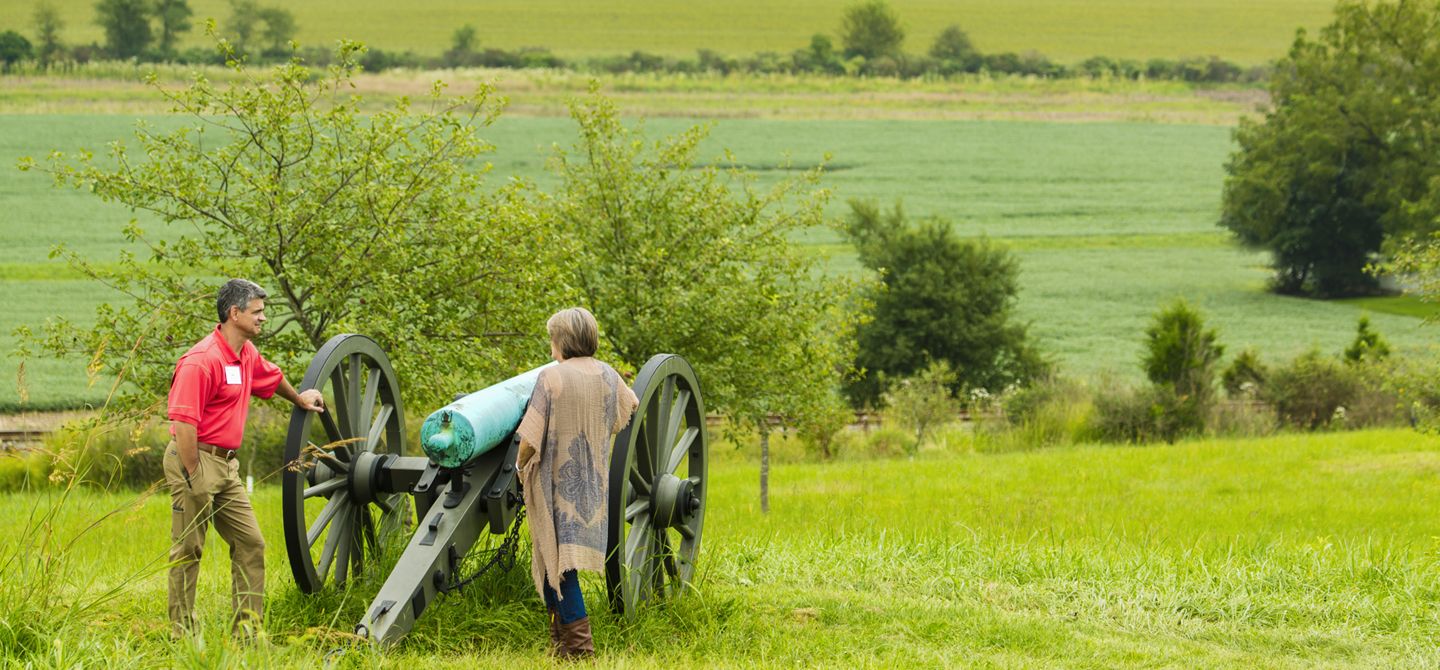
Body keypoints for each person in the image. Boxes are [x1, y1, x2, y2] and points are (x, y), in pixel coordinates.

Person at [164, 278, 325, 638]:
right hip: (194, 458)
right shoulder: (201, 361)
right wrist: (194, 474)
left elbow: (270, 378)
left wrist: (299, 398)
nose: (263, 318)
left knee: (251, 543)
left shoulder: (245, 353)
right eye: (257, 311)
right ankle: (181, 634)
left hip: (226, 466)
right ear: (234, 314)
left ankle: (247, 634)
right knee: (189, 548)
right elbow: (184, 423)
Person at [516, 307, 638, 658]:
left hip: (557, 484)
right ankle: (562, 645)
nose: (551, 345)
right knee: (556, 562)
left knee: (559, 563)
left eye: (552, 339)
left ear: (562, 341)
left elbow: (530, 437)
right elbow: (629, 405)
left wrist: (520, 465)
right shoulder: (608, 375)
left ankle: (581, 650)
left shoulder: (551, 378)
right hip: (591, 484)